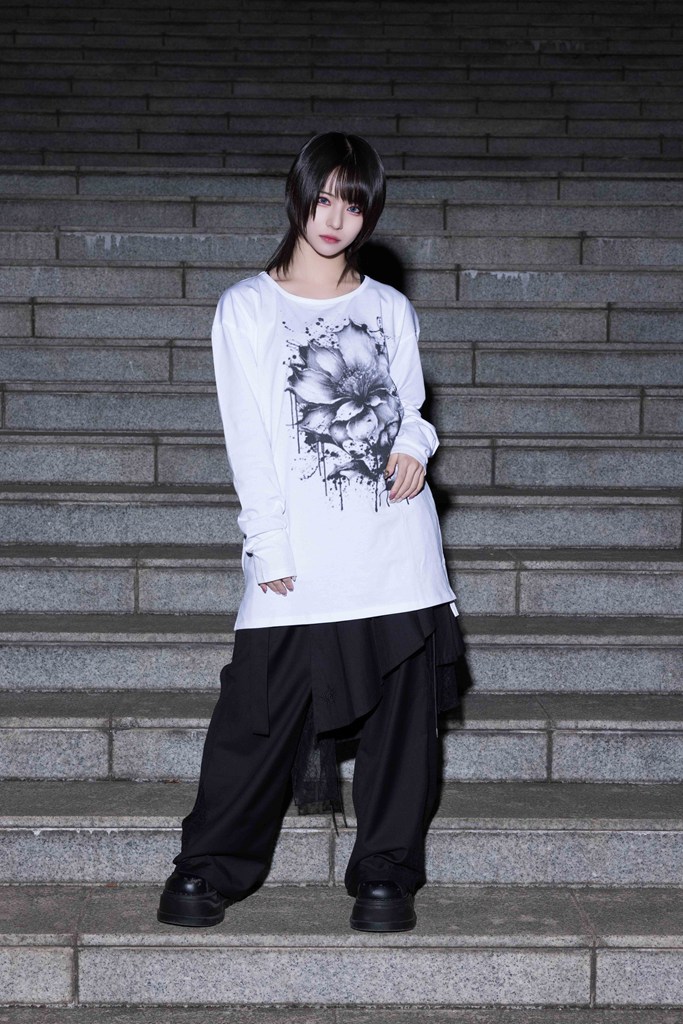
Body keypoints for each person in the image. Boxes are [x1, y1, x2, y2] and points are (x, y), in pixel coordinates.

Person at [157, 131, 469, 934]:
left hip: (395, 547)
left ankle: (385, 878)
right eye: (325, 198)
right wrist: (268, 542)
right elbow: (248, 437)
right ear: (297, 196)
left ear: (369, 215)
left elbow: (411, 409)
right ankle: (208, 867)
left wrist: (414, 443)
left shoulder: (388, 308)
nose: (335, 219)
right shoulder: (247, 307)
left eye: (353, 204)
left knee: (402, 725)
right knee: (255, 715)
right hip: (301, 548)